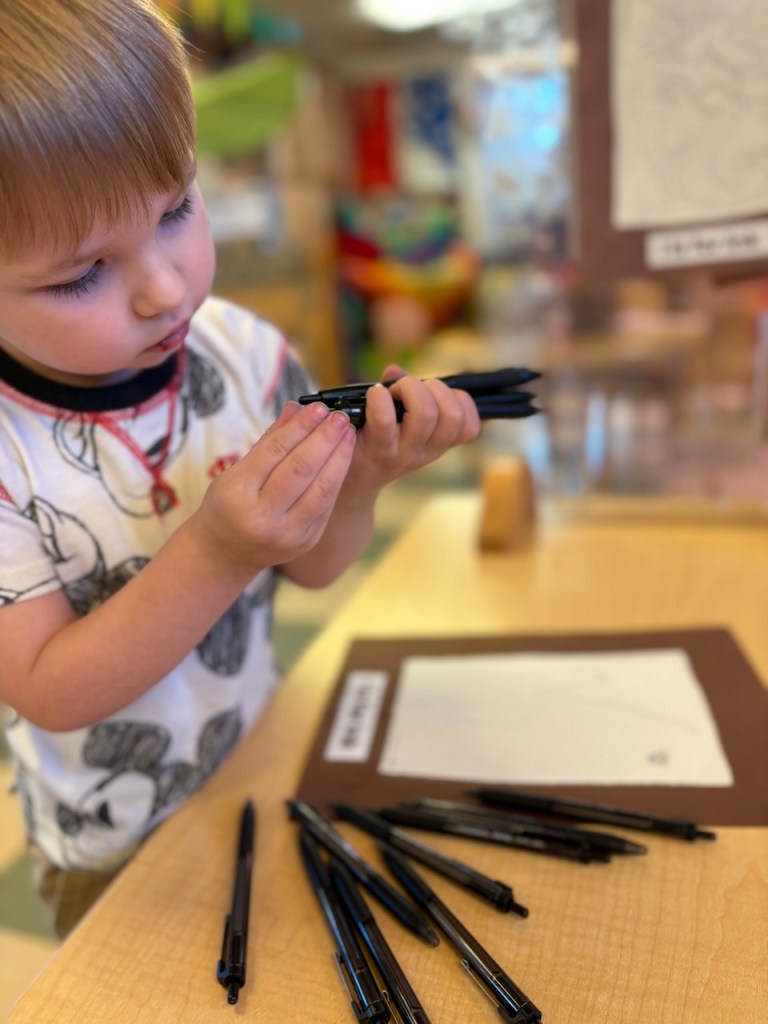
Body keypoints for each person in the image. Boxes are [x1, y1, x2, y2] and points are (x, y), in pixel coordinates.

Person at [0, 0, 480, 937]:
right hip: (112, 844)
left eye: (177, 209)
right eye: (80, 275)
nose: (165, 289)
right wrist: (215, 552)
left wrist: (363, 480)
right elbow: (49, 688)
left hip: (262, 758)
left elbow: (313, 568)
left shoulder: (246, 351)